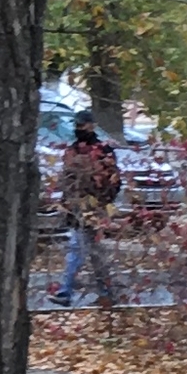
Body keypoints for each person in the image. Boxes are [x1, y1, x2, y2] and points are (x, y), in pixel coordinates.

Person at [56, 113, 123, 306]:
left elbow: (114, 181)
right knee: (93, 252)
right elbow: (66, 179)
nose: (78, 128)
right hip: (76, 208)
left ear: (92, 126)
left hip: (95, 208)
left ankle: (66, 292)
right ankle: (106, 292)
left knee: (79, 248)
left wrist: (101, 204)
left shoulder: (103, 150)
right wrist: (67, 204)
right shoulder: (72, 151)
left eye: (82, 125)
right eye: (76, 125)